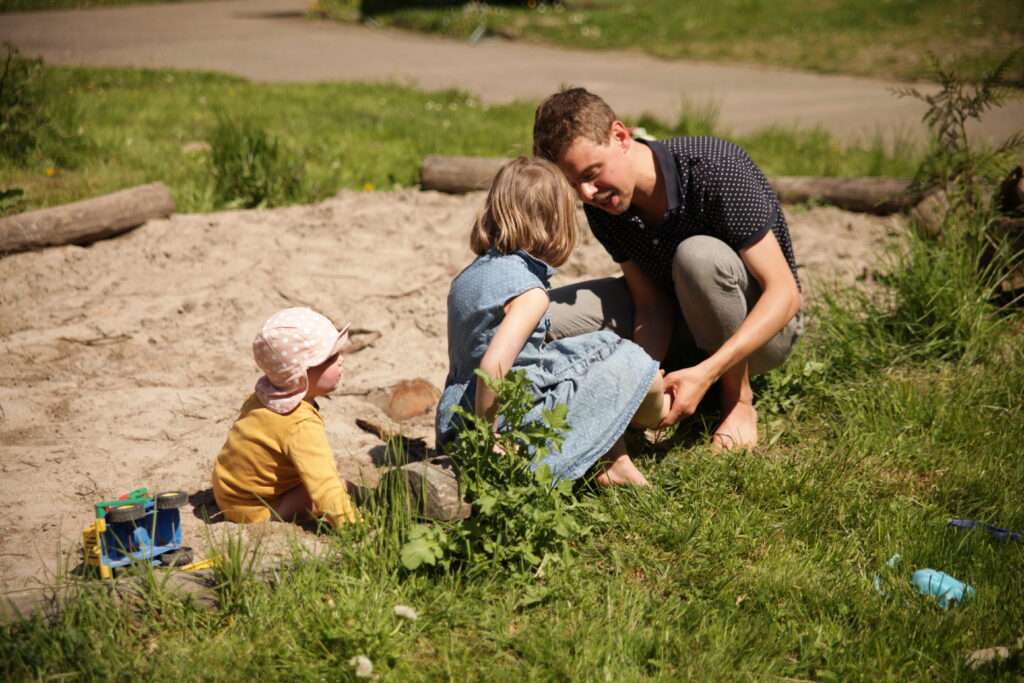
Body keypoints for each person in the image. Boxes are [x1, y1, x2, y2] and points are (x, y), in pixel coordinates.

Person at [533, 87, 803, 451]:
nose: (586, 193)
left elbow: (785, 295)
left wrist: (706, 374)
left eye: (592, 173)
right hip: (682, 324)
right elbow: (652, 305)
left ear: (620, 136)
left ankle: (736, 401)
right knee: (538, 314)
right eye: (573, 184)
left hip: (763, 333)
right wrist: (638, 385)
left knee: (697, 257)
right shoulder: (604, 201)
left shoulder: (715, 167)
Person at [435, 156, 668, 487]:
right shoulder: (531, 294)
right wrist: (488, 441)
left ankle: (615, 459)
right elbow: (492, 369)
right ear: (554, 221)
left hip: (455, 424)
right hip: (512, 428)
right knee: (631, 362)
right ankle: (655, 411)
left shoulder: (466, 279)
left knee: (592, 350)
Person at [212, 307, 361, 528]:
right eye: (330, 357)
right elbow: (324, 486)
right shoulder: (299, 423)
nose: (340, 360)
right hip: (257, 510)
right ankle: (371, 501)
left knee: (328, 474)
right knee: (339, 485)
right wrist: (354, 529)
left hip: (230, 495)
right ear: (300, 373)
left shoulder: (264, 397)